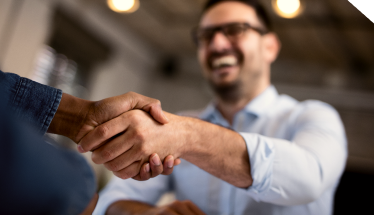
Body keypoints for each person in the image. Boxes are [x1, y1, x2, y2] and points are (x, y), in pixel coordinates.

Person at [90, 0, 348, 214]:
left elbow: (308, 179)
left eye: (235, 30)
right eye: (206, 35)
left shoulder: (314, 116)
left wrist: (187, 136)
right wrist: (149, 214)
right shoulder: (177, 124)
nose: (217, 44)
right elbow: (111, 201)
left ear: (269, 46)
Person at [0, 70, 178, 214]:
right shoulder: (78, 186)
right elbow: (103, 199)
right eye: (203, 36)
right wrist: (79, 188)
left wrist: (82, 117)